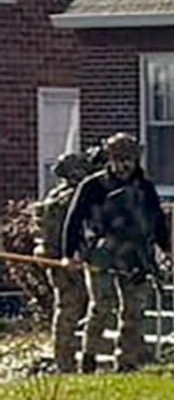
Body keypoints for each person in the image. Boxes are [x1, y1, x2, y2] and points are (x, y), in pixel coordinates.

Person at [62, 134, 167, 373]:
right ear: (109, 159)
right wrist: (70, 254)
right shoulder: (92, 186)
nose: (122, 166)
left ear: (136, 159)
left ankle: (127, 362)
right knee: (101, 307)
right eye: (117, 160)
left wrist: (164, 247)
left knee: (133, 310)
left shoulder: (144, 187)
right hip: (101, 254)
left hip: (135, 257)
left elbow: (157, 219)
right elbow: (74, 220)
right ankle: (89, 359)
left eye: (127, 160)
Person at [34, 150, 93, 374]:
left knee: (67, 310)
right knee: (70, 310)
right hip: (69, 262)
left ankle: (67, 359)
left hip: (56, 259)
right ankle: (66, 364)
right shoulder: (71, 199)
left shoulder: (55, 195)